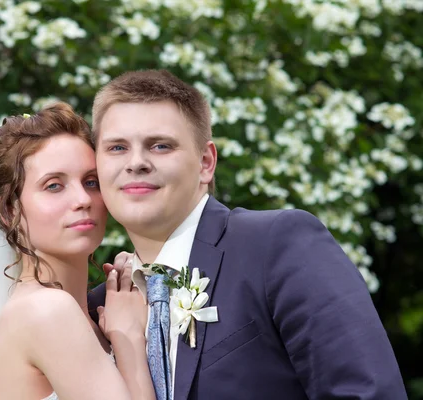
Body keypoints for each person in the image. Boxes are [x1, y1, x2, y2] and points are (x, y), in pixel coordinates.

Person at [88, 70, 408, 399]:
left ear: (205, 162)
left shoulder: (275, 245)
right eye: (117, 148)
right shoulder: (99, 309)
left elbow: (367, 392)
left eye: (160, 145)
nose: (137, 162)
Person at [0, 102, 155, 400]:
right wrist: (130, 339)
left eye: (91, 181)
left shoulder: (81, 311)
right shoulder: (45, 310)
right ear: (9, 211)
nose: (83, 199)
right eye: (54, 186)